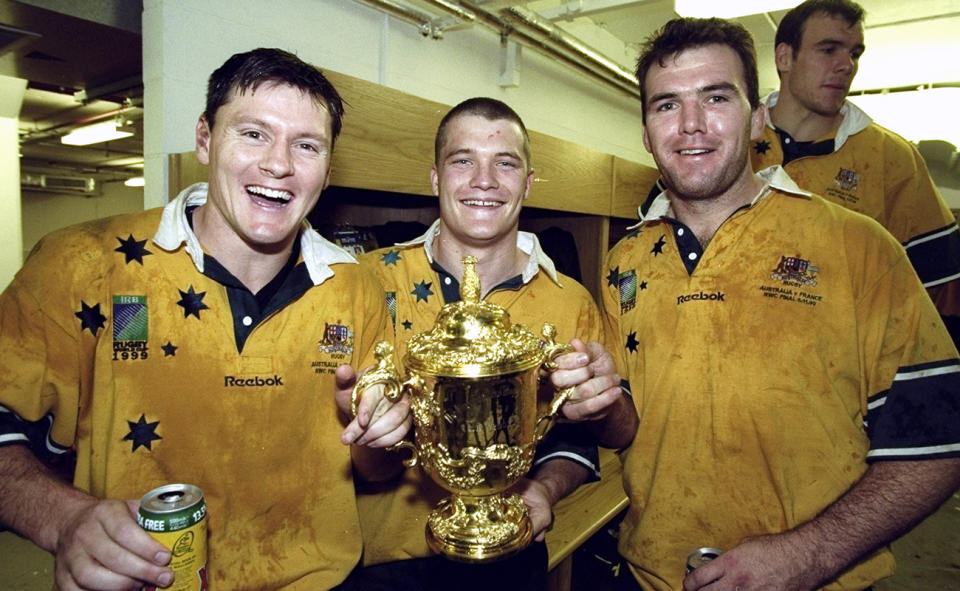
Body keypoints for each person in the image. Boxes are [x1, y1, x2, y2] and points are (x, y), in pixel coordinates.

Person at [0, 48, 409, 591]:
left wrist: (378, 440)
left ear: (327, 172)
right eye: (253, 133)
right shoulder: (83, 264)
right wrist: (64, 518)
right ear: (204, 139)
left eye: (306, 145)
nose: (279, 164)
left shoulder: (356, 287)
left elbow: (376, 471)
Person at [602, 17, 960, 591]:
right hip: (648, 576)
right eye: (666, 105)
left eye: (716, 97)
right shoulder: (621, 261)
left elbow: (940, 441)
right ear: (646, 131)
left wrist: (809, 554)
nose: (690, 124)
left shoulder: (858, 246)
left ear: (757, 117)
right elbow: (627, 426)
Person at [340, 97, 638, 590]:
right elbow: (347, 453)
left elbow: (577, 438)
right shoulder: (367, 281)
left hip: (514, 557)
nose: (485, 180)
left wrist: (542, 489)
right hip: (385, 566)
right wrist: (370, 429)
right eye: (463, 161)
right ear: (436, 178)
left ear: (528, 181)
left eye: (505, 163)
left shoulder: (571, 302)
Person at [751, 0, 960, 343]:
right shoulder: (729, 140)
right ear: (784, 58)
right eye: (829, 49)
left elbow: (942, 289)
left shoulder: (892, 159)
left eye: (855, 53)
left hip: (841, 376)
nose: (846, 65)